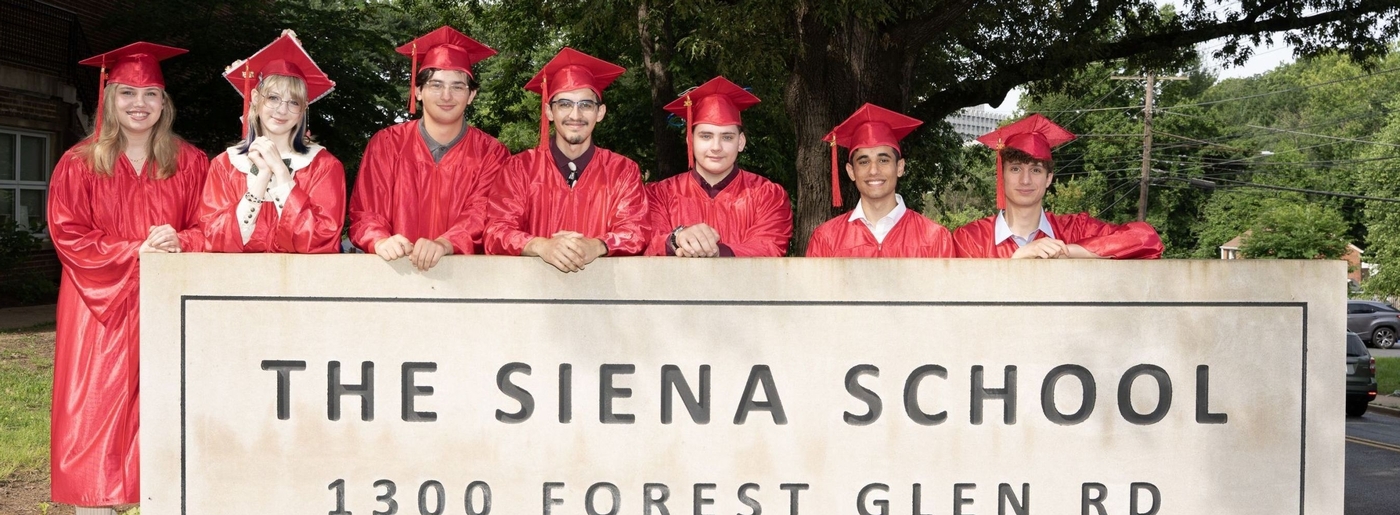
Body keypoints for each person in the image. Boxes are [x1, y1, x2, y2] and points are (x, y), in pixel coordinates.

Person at [48, 42, 208, 515]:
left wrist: (183, 241)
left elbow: (210, 227)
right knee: (94, 413)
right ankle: (94, 507)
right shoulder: (80, 163)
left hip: (167, 305)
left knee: (165, 413)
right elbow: (68, 234)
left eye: (151, 94)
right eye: (128, 93)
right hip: (98, 308)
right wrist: (133, 251)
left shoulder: (192, 163)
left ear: (165, 103)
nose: (140, 104)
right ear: (109, 99)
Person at [348, 26, 507, 270]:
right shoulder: (387, 144)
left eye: (457, 86)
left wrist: (445, 243)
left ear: (472, 95)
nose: (446, 95)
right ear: (418, 91)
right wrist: (378, 240)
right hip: (394, 276)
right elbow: (366, 212)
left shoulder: (492, 154)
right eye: (435, 85)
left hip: (463, 280)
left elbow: (482, 214)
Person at [483, 48, 648, 272]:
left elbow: (636, 230)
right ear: (549, 112)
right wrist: (542, 246)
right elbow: (496, 231)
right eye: (565, 104)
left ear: (600, 113)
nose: (575, 115)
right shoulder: (520, 168)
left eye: (586, 105)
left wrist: (596, 245)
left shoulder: (622, 171)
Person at [200, 31, 344, 253]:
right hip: (234, 284)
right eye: (273, 98)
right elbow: (215, 241)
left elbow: (319, 241)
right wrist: (261, 178)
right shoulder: (225, 165)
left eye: (293, 102)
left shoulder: (323, 166)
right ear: (256, 99)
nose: (282, 110)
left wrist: (282, 174)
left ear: (303, 109)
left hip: (301, 285)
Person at [952, 114, 1164, 259]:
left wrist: (1068, 251)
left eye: (1035, 170)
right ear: (1002, 176)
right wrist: (1016, 261)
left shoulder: (1074, 229)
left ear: (1049, 178)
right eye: (1015, 169)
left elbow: (1147, 240)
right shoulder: (972, 239)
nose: (1025, 180)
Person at [644, 76, 791, 257]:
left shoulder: (767, 195)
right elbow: (646, 242)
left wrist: (713, 252)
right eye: (706, 136)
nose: (716, 147)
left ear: (741, 142)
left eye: (727, 137)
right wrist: (677, 238)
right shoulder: (660, 195)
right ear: (690, 141)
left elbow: (769, 247)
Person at [807, 103, 955, 257]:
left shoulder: (935, 238)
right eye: (864, 162)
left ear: (900, 167)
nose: (873, 170)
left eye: (883, 160)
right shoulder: (826, 238)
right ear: (851, 171)